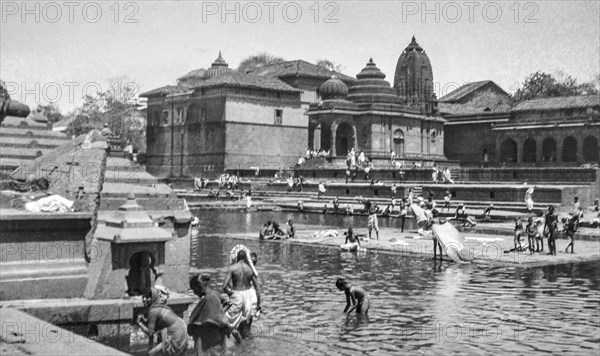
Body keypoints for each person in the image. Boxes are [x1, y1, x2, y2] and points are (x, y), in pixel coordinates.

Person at [137, 286, 188, 356]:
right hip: (182, 328)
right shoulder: (160, 306)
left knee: (151, 354)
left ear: (153, 298)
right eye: (143, 297)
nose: (144, 299)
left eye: (148, 297)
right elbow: (152, 332)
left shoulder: (153, 311)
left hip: (176, 333)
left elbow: (150, 333)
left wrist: (139, 323)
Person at [222, 250, 261, 341]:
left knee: (226, 320)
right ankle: (243, 346)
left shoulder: (232, 268)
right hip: (248, 296)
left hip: (237, 294)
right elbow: (258, 288)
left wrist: (230, 293)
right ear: (245, 258)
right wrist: (258, 305)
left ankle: (233, 343)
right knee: (244, 321)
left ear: (236, 257)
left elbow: (224, 286)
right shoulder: (250, 269)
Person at [188, 275, 229, 356]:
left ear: (199, 287)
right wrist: (220, 313)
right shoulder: (215, 293)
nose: (194, 293)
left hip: (210, 337)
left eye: (194, 290)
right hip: (219, 334)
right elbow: (227, 303)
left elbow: (197, 319)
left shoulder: (207, 299)